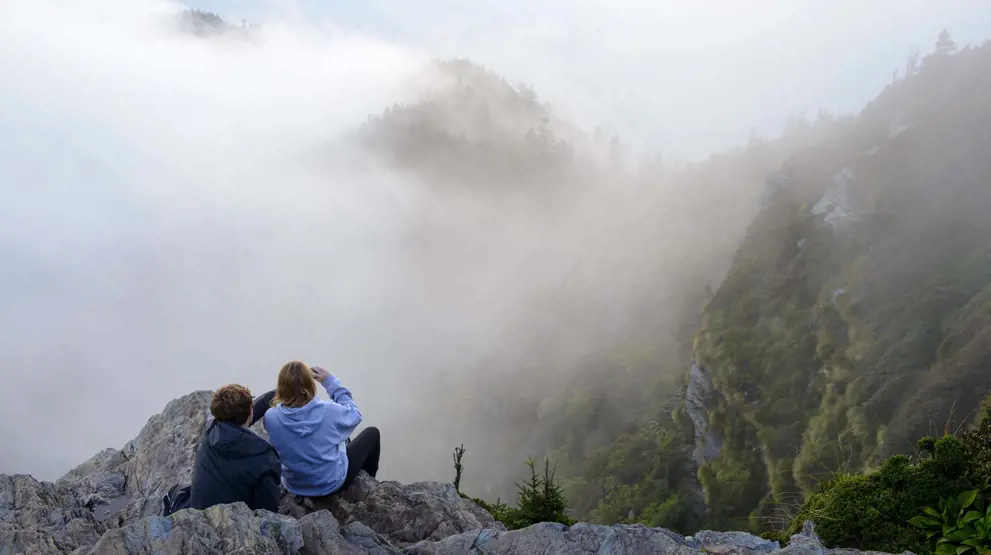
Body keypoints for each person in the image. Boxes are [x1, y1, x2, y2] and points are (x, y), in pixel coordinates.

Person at [264, 360, 380, 498]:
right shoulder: (329, 411)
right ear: (310, 384)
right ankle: (369, 488)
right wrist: (330, 382)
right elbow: (355, 414)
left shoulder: (271, 417)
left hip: (295, 485)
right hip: (330, 483)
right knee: (372, 433)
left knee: (341, 437)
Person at [186, 384, 282, 512]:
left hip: (197, 514)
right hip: (233, 521)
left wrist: (280, 391)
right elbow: (268, 511)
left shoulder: (211, 429)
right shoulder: (263, 459)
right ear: (250, 411)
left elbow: (242, 415)